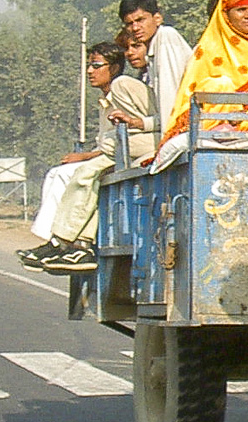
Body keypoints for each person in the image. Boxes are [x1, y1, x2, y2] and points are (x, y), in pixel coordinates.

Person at [21, 41, 154, 272]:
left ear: (113, 68)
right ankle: (57, 239)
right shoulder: (105, 102)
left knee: (83, 174)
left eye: (95, 65)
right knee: (60, 173)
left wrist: (87, 157)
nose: (90, 72)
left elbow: (153, 119)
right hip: (121, 150)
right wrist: (86, 155)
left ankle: (63, 241)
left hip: (140, 147)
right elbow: (108, 143)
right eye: (89, 66)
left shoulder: (124, 85)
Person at [150, 0, 248, 166]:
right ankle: (222, 131)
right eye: (241, 10)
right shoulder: (208, 49)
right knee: (219, 85)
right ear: (226, 15)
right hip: (221, 117)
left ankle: (246, 131)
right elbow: (192, 94)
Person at [120, 0, 192, 147]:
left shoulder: (166, 37)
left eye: (140, 20)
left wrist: (167, 143)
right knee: (115, 141)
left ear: (157, 18)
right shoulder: (151, 50)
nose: (135, 28)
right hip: (165, 123)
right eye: (129, 24)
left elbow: (171, 94)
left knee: (121, 84)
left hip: (182, 124)